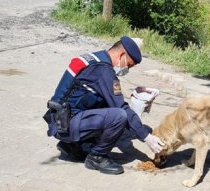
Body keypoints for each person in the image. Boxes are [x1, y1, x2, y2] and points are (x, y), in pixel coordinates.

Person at [43, 36, 165, 175]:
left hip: (60, 119)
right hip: (65, 125)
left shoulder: (95, 58)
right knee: (119, 117)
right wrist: (146, 137)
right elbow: (121, 108)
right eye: (129, 65)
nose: (127, 69)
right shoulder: (103, 71)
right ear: (122, 55)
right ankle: (97, 157)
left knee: (108, 106)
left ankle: (73, 146)